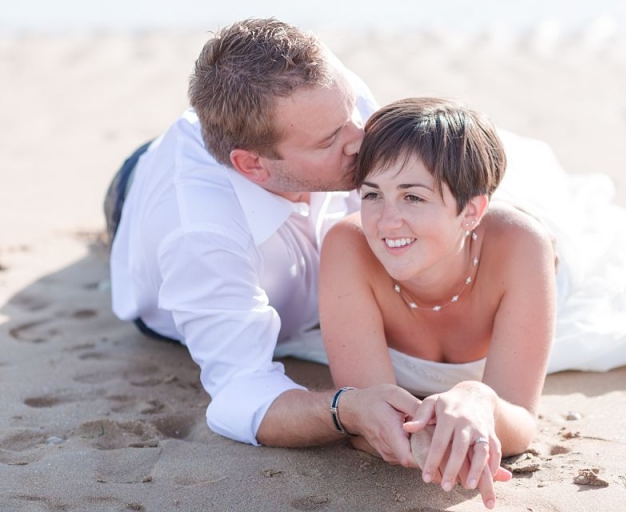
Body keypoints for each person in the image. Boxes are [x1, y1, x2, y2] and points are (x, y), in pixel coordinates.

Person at [317, 97, 626, 508]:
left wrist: (480, 399)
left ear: (472, 212)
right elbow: (367, 411)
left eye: (413, 196)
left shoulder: (521, 247)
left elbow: (520, 418)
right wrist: (428, 445)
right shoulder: (349, 245)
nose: (384, 220)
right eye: (373, 193)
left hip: (540, 282)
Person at [104, 17, 425, 464]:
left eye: (351, 109)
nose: (364, 137)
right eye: (331, 139)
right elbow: (242, 394)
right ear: (252, 166)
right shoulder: (199, 234)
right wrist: (345, 408)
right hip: (137, 197)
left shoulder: (333, 105)